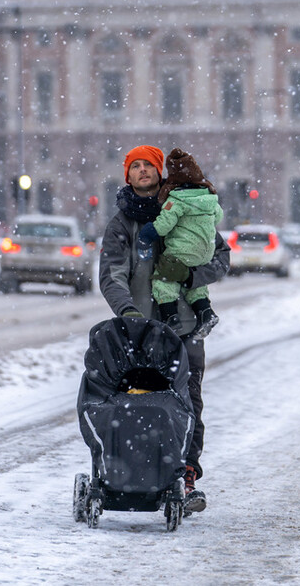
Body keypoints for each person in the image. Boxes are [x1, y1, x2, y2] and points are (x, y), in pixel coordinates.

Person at [99, 144, 230, 515]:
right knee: (136, 400)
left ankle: (186, 476)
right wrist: (127, 311)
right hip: (139, 330)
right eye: (135, 166)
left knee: (187, 400)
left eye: (149, 165)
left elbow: (220, 258)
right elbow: (111, 275)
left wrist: (191, 275)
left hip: (186, 327)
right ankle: (136, 475)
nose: (142, 171)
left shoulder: (187, 206)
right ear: (128, 176)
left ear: (160, 172)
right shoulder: (121, 225)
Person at [137, 147, 223, 339]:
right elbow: (218, 217)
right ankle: (205, 312)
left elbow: (164, 225)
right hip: (206, 249)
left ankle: (171, 316)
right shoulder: (210, 199)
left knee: (164, 277)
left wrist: (148, 233)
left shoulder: (176, 200)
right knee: (195, 284)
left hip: (183, 249)